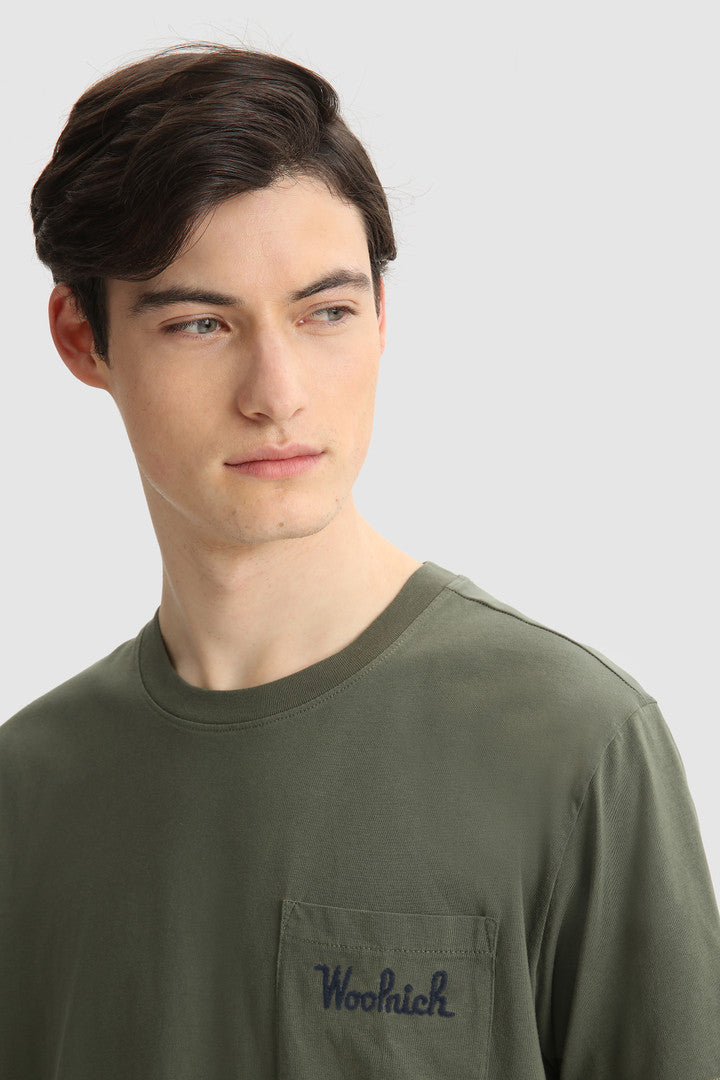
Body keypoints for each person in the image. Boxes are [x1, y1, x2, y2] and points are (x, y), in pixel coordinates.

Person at [1, 43, 718, 1080]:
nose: (277, 392)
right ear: (83, 338)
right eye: (201, 323)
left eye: (325, 312)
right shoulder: (26, 794)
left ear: (382, 317)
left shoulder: (574, 746)